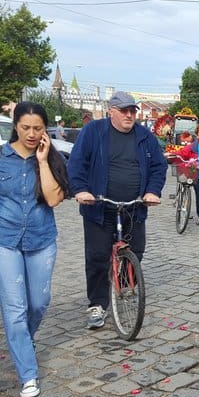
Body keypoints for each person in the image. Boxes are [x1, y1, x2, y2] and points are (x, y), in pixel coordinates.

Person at [0, 102, 70, 397]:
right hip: (4, 240)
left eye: (38, 128)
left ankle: (24, 340)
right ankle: (28, 373)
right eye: (25, 127)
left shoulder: (54, 158)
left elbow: (53, 199)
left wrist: (42, 161)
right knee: (14, 309)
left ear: (46, 130)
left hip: (41, 240)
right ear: (15, 126)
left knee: (38, 303)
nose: (31, 134)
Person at [68, 91, 167, 330]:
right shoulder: (93, 132)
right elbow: (77, 162)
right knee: (97, 257)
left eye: (132, 110)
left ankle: (121, 284)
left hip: (134, 206)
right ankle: (97, 304)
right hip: (99, 207)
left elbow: (158, 165)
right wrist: (81, 190)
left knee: (137, 251)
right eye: (124, 111)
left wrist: (152, 191)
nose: (129, 115)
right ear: (111, 111)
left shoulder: (144, 136)